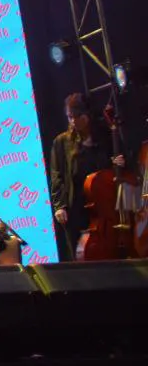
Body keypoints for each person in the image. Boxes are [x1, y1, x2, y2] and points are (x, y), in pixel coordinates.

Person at [49, 92, 126, 261]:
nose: (73, 121)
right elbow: (56, 176)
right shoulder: (61, 142)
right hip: (75, 207)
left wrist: (119, 162)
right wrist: (60, 206)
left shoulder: (104, 137)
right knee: (80, 253)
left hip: (102, 206)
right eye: (69, 117)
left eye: (77, 117)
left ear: (87, 116)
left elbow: (115, 167)